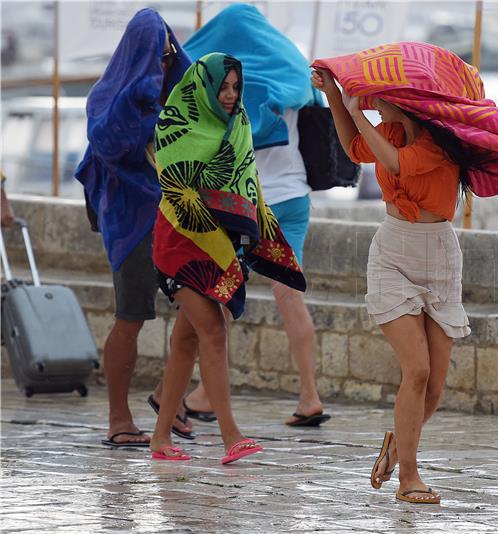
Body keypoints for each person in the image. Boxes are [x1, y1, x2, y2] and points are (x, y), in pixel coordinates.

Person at [312, 41, 498, 504]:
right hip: (393, 252)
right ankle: (409, 476)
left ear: (402, 99)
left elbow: (395, 165)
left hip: (440, 257)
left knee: (434, 386)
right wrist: (336, 95)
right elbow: (357, 149)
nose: (374, 101)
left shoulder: (435, 144)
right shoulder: (388, 132)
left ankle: (399, 441)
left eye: (379, 96)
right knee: (416, 371)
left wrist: (355, 108)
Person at [148, 52, 306, 463]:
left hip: (220, 243)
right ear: (205, 86)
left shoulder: (238, 125)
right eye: (223, 86)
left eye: (236, 87)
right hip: (182, 242)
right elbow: (175, 183)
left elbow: (246, 181)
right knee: (213, 331)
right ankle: (230, 434)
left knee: (185, 343)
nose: (231, 94)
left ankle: (160, 439)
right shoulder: (175, 122)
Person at [180, 3, 328, 427]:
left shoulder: (234, 87)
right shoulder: (291, 69)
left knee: (224, 297)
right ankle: (309, 395)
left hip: (247, 206)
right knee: (290, 297)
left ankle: (207, 393)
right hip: (295, 197)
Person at [74, 9, 194, 448]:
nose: (162, 66)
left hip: (179, 218)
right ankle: (119, 419)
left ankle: (168, 395)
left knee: (206, 312)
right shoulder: (108, 96)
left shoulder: (176, 99)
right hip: (132, 221)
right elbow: (109, 141)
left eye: (168, 57)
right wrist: (142, 95)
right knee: (131, 318)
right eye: (155, 57)